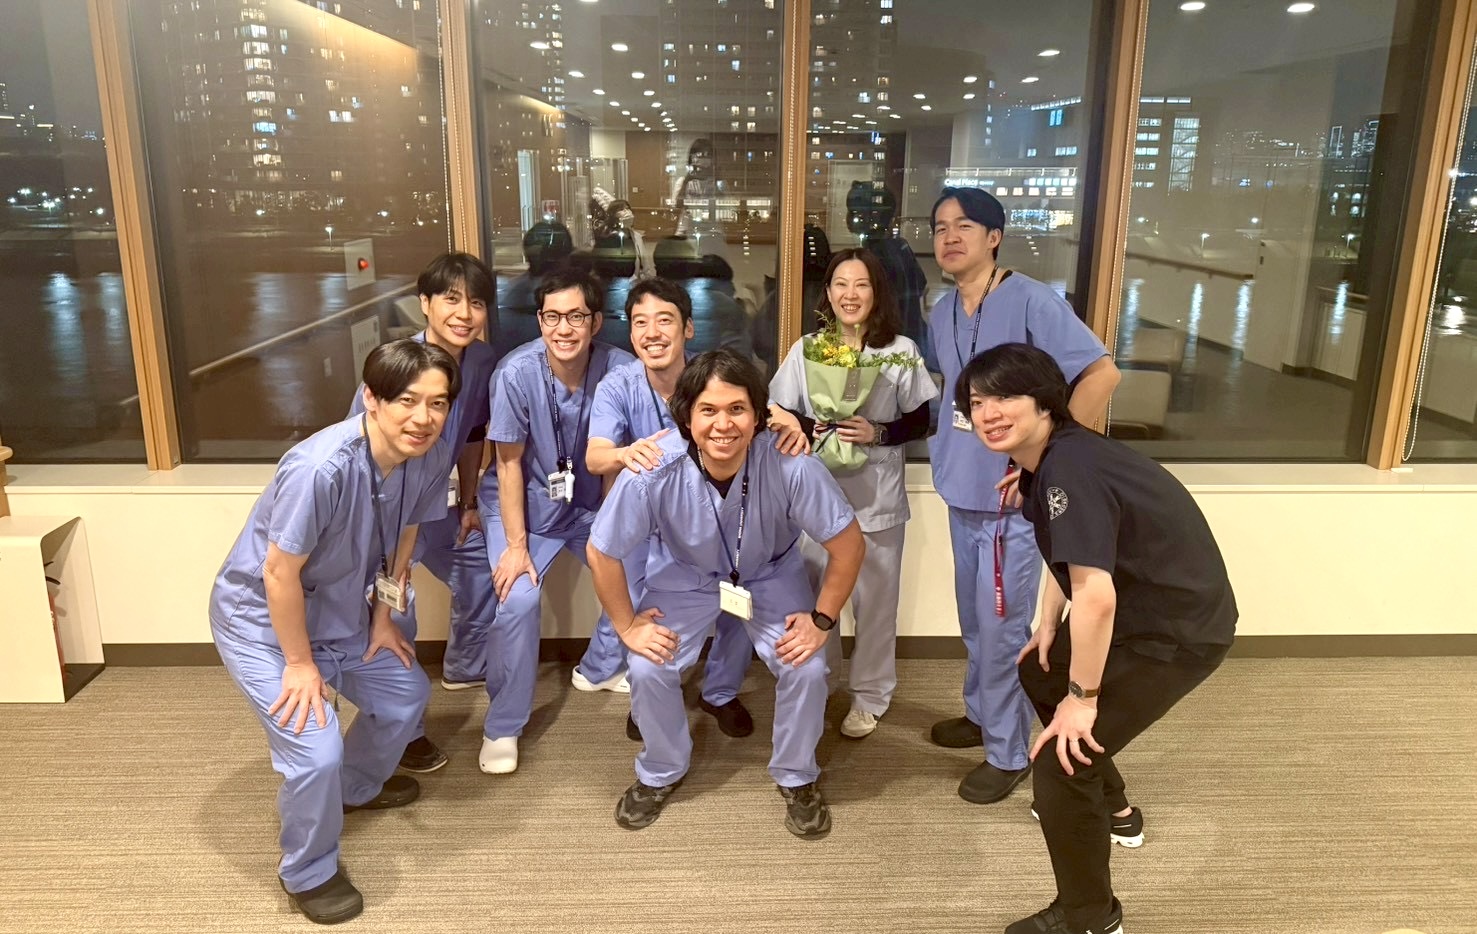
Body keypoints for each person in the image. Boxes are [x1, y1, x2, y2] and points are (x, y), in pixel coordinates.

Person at [957, 343, 1236, 934]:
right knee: (1038, 669)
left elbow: (1098, 596)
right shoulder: (1047, 462)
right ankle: (1115, 808)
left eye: (1005, 396)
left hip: (1174, 631)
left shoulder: (1069, 470)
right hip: (1140, 613)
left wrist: (1082, 701)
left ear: (1045, 401)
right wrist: (1047, 626)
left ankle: (1091, 917)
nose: (989, 413)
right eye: (977, 402)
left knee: (1060, 764)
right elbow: (1073, 559)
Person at [209, 340, 460, 924]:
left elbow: (407, 532)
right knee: (316, 750)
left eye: (438, 403)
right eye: (407, 401)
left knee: (405, 696)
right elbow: (278, 573)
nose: (423, 418)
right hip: (264, 626)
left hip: (345, 611)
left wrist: (383, 618)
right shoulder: (320, 468)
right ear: (371, 398)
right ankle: (308, 871)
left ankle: (353, 788)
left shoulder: (429, 453)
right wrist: (300, 665)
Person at [587, 350, 865, 838]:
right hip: (685, 576)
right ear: (686, 417)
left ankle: (797, 775)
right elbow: (601, 551)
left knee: (807, 665)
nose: (723, 424)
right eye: (708, 410)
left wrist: (821, 620)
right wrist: (627, 626)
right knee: (648, 664)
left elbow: (849, 546)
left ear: (759, 416)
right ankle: (661, 769)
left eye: (737, 409)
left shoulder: (791, 464)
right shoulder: (653, 467)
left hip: (769, 574)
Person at [926, 186, 1121, 805]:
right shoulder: (940, 309)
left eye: (964, 225)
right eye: (939, 227)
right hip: (961, 489)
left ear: (994, 237)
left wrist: (1049, 457)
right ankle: (983, 713)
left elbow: (1102, 373)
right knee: (974, 621)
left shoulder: (1033, 300)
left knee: (1003, 629)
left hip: (1009, 504)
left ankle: (1007, 752)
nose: (950, 237)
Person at [586, 277, 810, 741]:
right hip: (649, 520)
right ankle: (651, 700)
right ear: (630, 332)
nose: (652, 332)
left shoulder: (714, 375)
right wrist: (627, 454)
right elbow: (595, 457)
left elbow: (760, 412)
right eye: (640, 322)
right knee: (649, 616)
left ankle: (720, 692)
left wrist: (788, 421)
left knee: (738, 600)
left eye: (664, 320)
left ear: (688, 328)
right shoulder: (619, 385)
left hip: (720, 517)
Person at [768, 248, 938, 738]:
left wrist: (877, 432)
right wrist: (810, 426)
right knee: (815, 600)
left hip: (876, 500)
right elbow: (778, 410)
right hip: (816, 500)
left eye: (861, 284)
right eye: (840, 284)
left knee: (875, 607)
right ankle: (820, 682)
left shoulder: (899, 350)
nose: (850, 294)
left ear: (876, 292)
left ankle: (870, 696)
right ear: (827, 293)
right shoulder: (808, 349)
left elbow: (920, 419)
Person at [477, 262, 636, 774]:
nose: (563, 328)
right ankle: (503, 725)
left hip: (587, 504)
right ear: (539, 320)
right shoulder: (515, 373)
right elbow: (507, 464)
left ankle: (600, 667)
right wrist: (516, 546)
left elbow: (617, 457)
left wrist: (612, 530)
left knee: (641, 569)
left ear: (596, 321)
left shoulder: (620, 369)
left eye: (576, 316)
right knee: (517, 599)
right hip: (522, 507)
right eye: (552, 317)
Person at [347, 252, 500, 773]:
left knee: (483, 571)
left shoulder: (481, 360)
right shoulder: (398, 367)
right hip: (382, 516)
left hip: (436, 504)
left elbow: (473, 432)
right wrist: (387, 556)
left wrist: (471, 502)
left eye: (476, 302)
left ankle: (463, 668)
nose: (464, 313)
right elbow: (361, 462)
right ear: (425, 304)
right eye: (451, 299)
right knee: (397, 606)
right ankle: (404, 732)